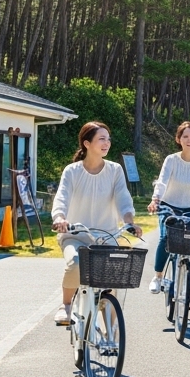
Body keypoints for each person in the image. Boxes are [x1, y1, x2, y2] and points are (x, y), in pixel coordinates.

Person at [50, 121, 141, 326]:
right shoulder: (72, 171)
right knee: (75, 263)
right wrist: (59, 218)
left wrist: (129, 221)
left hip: (107, 236)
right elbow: (62, 197)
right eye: (101, 139)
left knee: (111, 284)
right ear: (86, 143)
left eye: (108, 139)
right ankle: (65, 305)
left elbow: (123, 198)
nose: (107, 143)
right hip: (75, 235)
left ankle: (111, 335)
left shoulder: (115, 170)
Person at [146, 121, 190, 309]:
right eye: (185, 136)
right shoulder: (171, 159)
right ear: (178, 139)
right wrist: (155, 200)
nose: (189, 139)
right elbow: (161, 182)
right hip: (169, 205)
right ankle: (158, 276)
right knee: (165, 238)